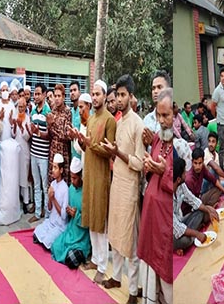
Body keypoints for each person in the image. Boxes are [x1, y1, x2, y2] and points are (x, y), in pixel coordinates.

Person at [100, 75, 145, 303]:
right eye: (117, 95)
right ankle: (116, 277)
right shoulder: (118, 122)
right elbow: (116, 153)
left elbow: (139, 162)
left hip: (129, 189)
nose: (118, 99)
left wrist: (118, 153)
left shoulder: (138, 124)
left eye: (122, 95)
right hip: (116, 184)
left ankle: (134, 291)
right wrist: (110, 151)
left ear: (131, 96)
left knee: (131, 241)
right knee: (115, 234)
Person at [74, 80, 116, 284]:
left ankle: (102, 266)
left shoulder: (109, 121)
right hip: (89, 174)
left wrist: (92, 144)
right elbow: (87, 147)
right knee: (91, 218)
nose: (95, 97)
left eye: (98, 94)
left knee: (101, 222)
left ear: (105, 95)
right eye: (93, 94)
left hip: (101, 177)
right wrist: (81, 140)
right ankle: (95, 259)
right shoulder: (90, 120)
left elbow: (109, 152)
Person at [138, 88, 174, 304]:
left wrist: (163, 171)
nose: (161, 121)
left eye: (166, 115)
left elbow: (176, 182)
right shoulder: (159, 138)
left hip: (164, 218)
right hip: (151, 213)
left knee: (166, 271)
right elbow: (152, 167)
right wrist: (149, 166)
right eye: (159, 115)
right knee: (151, 268)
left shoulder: (178, 144)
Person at [51, 157, 91, 269]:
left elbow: (89, 221)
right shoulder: (71, 189)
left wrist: (77, 215)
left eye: (75, 178)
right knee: (54, 246)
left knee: (71, 259)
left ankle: (83, 253)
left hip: (81, 237)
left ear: (81, 177)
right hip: (71, 231)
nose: (72, 181)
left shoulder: (86, 193)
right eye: (71, 178)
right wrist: (69, 212)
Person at [173, 158, 218, 255]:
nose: (186, 173)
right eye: (184, 172)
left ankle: (191, 236)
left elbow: (193, 200)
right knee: (184, 241)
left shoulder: (181, 186)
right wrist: (197, 234)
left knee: (201, 212)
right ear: (178, 179)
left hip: (181, 222)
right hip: (172, 233)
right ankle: (183, 242)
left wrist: (208, 210)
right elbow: (177, 228)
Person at [0, 82, 21, 226]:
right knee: (2, 179)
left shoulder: (12, 106)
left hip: (11, 148)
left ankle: (13, 209)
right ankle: (2, 209)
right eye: (2, 90)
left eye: (6, 90)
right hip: (0, 147)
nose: (4, 92)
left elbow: (14, 131)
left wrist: (12, 122)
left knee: (11, 179)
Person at [33, 153, 68, 249]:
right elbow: (49, 209)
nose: (53, 170)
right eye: (52, 167)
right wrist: (49, 198)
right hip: (51, 222)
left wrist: (53, 199)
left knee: (46, 242)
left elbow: (64, 215)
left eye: (55, 168)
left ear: (61, 170)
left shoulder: (65, 189)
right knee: (36, 233)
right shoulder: (53, 184)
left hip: (59, 226)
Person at [28, 84, 52, 223]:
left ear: (44, 95)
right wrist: (32, 131)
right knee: (36, 185)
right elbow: (33, 132)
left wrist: (38, 132)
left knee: (44, 186)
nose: (36, 96)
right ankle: (37, 213)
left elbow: (49, 135)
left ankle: (47, 215)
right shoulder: (33, 111)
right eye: (34, 94)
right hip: (33, 152)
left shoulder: (48, 112)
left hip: (43, 154)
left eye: (38, 94)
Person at [47, 84, 71, 184]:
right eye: (55, 96)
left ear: (64, 97)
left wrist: (52, 125)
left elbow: (65, 136)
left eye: (59, 96)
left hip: (63, 151)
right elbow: (50, 135)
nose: (56, 99)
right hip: (53, 149)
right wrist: (49, 126)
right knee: (52, 180)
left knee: (62, 181)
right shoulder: (52, 111)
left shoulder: (68, 112)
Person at [13, 98, 32, 213]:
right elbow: (13, 134)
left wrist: (21, 127)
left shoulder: (28, 119)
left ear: (25, 107)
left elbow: (27, 137)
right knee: (16, 176)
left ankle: (26, 202)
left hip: (25, 151)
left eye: (22, 107)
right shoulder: (15, 117)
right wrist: (15, 126)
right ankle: (17, 201)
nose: (20, 109)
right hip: (16, 151)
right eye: (19, 107)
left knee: (24, 178)